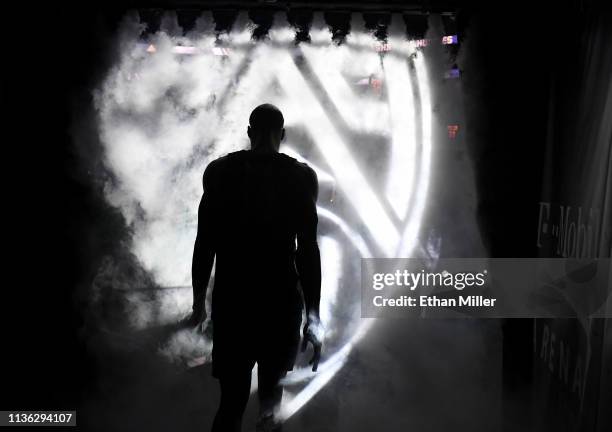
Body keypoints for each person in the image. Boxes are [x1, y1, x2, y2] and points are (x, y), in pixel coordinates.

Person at [188, 104, 323, 432]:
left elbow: (204, 245)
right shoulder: (301, 177)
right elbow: (307, 251)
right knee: (269, 408)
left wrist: (197, 306)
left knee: (231, 404)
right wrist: (313, 315)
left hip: (234, 303)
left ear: (249, 132)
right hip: (280, 304)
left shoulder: (220, 173)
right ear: (284, 134)